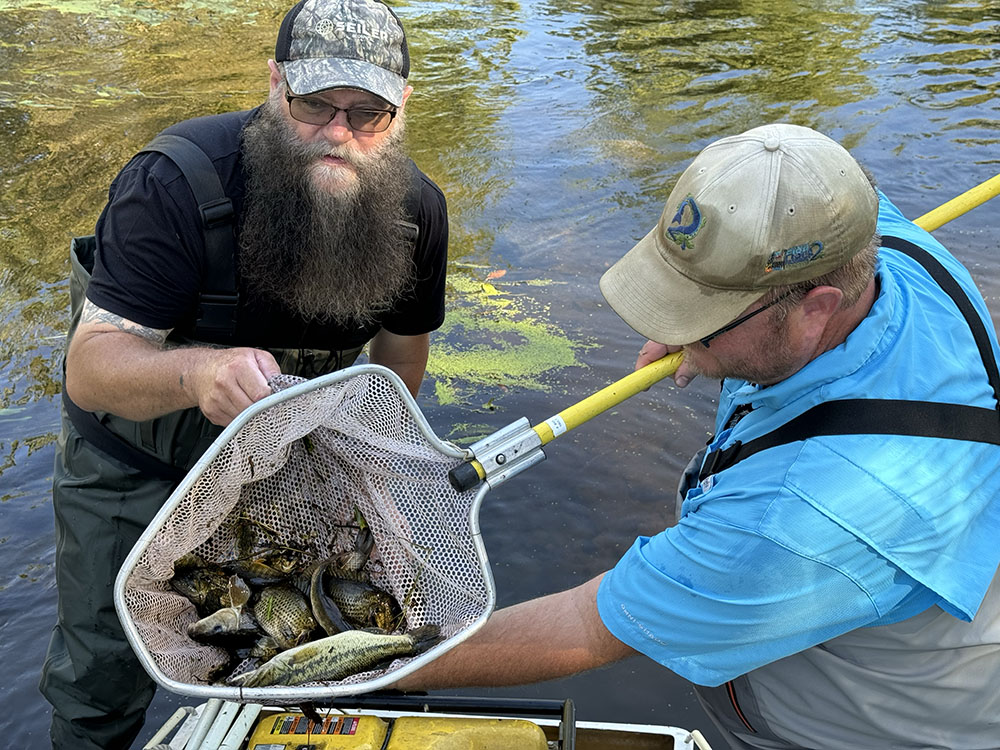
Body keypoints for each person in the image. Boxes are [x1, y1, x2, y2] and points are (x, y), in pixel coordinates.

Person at [395, 124, 1000, 748]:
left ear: (815, 310)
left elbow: (587, 622)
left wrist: (371, 668)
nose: (672, 327)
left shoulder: (791, 519)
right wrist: (701, 329)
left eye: (701, 315)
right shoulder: (884, 246)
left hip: (863, 722)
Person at [39, 1, 448, 747]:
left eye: (367, 114)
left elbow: (400, 359)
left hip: (289, 477)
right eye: (315, 103)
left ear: (402, 109)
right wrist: (199, 375)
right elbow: (91, 371)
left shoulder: (415, 214)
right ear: (273, 83)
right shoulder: (176, 182)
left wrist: (379, 466)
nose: (338, 134)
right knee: (99, 683)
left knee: (297, 665)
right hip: (140, 470)